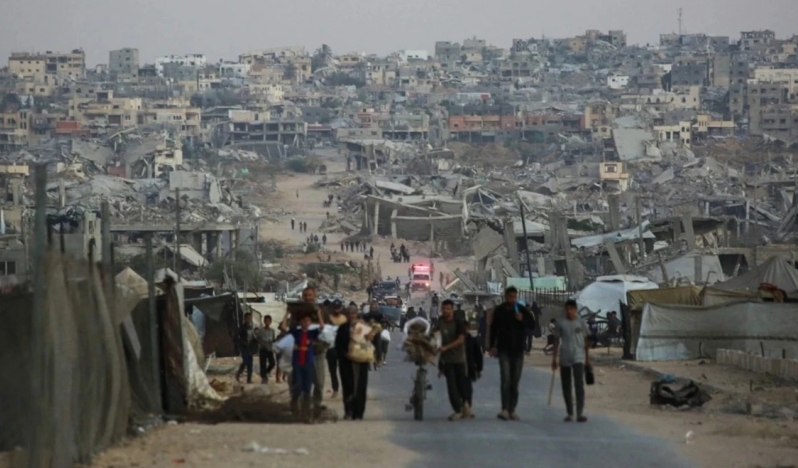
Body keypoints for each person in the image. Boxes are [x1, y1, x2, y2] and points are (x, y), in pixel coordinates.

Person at [489, 286, 535, 421]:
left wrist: (522, 320)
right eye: (510, 297)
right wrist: (492, 346)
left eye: (514, 297)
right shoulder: (500, 310)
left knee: (515, 381)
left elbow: (532, 324)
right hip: (504, 349)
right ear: (506, 297)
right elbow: (494, 328)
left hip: (518, 350)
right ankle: (504, 409)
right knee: (505, 379)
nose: (512, 299)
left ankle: (512, 409)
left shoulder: (521, 310)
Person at [280, 304, 325, 423]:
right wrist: (287, 313)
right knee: (297, 387)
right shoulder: (296, 332)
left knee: (307, 389)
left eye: (308, 321)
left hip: (308, 363)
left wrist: (319, 313)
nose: (306, 323)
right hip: (297, 364)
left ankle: (306, 414)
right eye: (304, 321)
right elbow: (284, 327)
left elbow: (322, 327)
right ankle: (295, 411)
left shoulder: (312, 333)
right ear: (300, 322)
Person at [432, 299, 471, 420]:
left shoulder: (458, 323)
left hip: (459, 359)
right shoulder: (440, 322)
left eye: (448, 309)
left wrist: (446, 347)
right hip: (447, 360)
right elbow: (434, 334)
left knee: (462, 385)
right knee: (451, 386)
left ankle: (465, 405)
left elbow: (461, 340)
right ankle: (457, 410)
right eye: (443, 309)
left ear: (452, 310)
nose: (445, 311)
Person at [553, 299, 590, 423]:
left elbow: (586, 340)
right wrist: (554, 358)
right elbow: (556, 340)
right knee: (566, 385)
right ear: (565, 310)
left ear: (575, 310)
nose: (569, 311)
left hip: (578, 356)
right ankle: (570, 412)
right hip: (565, 356)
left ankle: (580, 413)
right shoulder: (561, 323)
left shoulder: (581, 322)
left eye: (572, 309)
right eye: (567, 309)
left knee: (579, 384)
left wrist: (587, 358)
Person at [335, 305, 371, 420]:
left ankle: (359, 412)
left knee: (360, 386)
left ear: (357, 314)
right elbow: (338, 344)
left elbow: (369, 341)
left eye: (353, 313)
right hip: (346, 361)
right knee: (347, 386)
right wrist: (345, 354)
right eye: (349, 314)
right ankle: (349, 411)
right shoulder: (343, 328)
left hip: (361, 361)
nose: (351, 316)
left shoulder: (361, 326)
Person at [326, 300, 348, 399]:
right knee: (332, 370)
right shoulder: (328, 319)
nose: (336, 310)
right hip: (331, 348)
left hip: (342, 348)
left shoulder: (345, 319)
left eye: (338, 308)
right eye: (335, 308)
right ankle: (335, 389)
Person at [464, 319, 484, 411]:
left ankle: (467, 405)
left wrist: (479, 369)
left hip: (469, 367)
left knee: (467, 387)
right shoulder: (454, 341)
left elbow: (478, 356)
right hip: (457, 367)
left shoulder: (472, 341)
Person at [236, 313, 259, 383]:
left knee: (250, 363)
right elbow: (236, 337)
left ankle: (249, 379)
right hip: (244, 347)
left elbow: (254, 337)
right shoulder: (242, 328)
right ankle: (239, 373)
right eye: (248, 318)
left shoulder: (251, 327)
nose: (249, 319)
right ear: (245, 319)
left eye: (250, 318)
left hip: (250, 348)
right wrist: (242, 342)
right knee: (245, 361)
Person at [255, 315, 276, 384]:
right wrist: (262, 344)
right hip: (263, 349)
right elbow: (258, 339)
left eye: (268, 321)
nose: (267, 322)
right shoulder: (261, 330)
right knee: (263, 364)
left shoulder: (272, 331)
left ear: (270, 322)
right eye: (266, 321)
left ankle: (266, 372)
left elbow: (273, 340)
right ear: (264, 321)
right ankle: (264, 378)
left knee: (272, 363)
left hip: (269, 349)